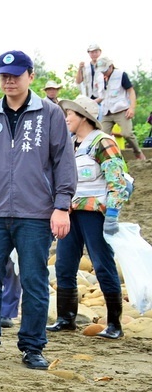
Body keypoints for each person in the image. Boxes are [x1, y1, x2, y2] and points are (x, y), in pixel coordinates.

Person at [0, 50, 75, 370]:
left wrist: (62, 206)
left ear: (30, 76)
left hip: (35, 214)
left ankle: (32, 346)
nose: (9, 80)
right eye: (4, 76)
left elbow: (63, 162)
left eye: (15, 75)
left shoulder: (50, 114)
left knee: (33, 280)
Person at [50, 96, 132, 339]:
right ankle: (66, 319)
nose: (66, 119)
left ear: (84, 116)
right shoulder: (69, 144)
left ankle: (115, 324)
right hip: (70, 213)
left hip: (95, 215)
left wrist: (113, 215)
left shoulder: (102, 142)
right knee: (64, 265)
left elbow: (116, 180)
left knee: (103, 266)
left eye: (70, 115)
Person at [94, 56, 146, 162]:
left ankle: (138, 153)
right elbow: (102, 96)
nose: (103, 73)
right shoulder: (100, 79)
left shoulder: (121, 75)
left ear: (111, 66)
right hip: (106, 111)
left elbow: (131, 91)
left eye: (105, 70)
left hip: (121, 110)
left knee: (127, 133)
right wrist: (90, 104)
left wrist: (132, 108)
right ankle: (105, 158)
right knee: (101, 136)